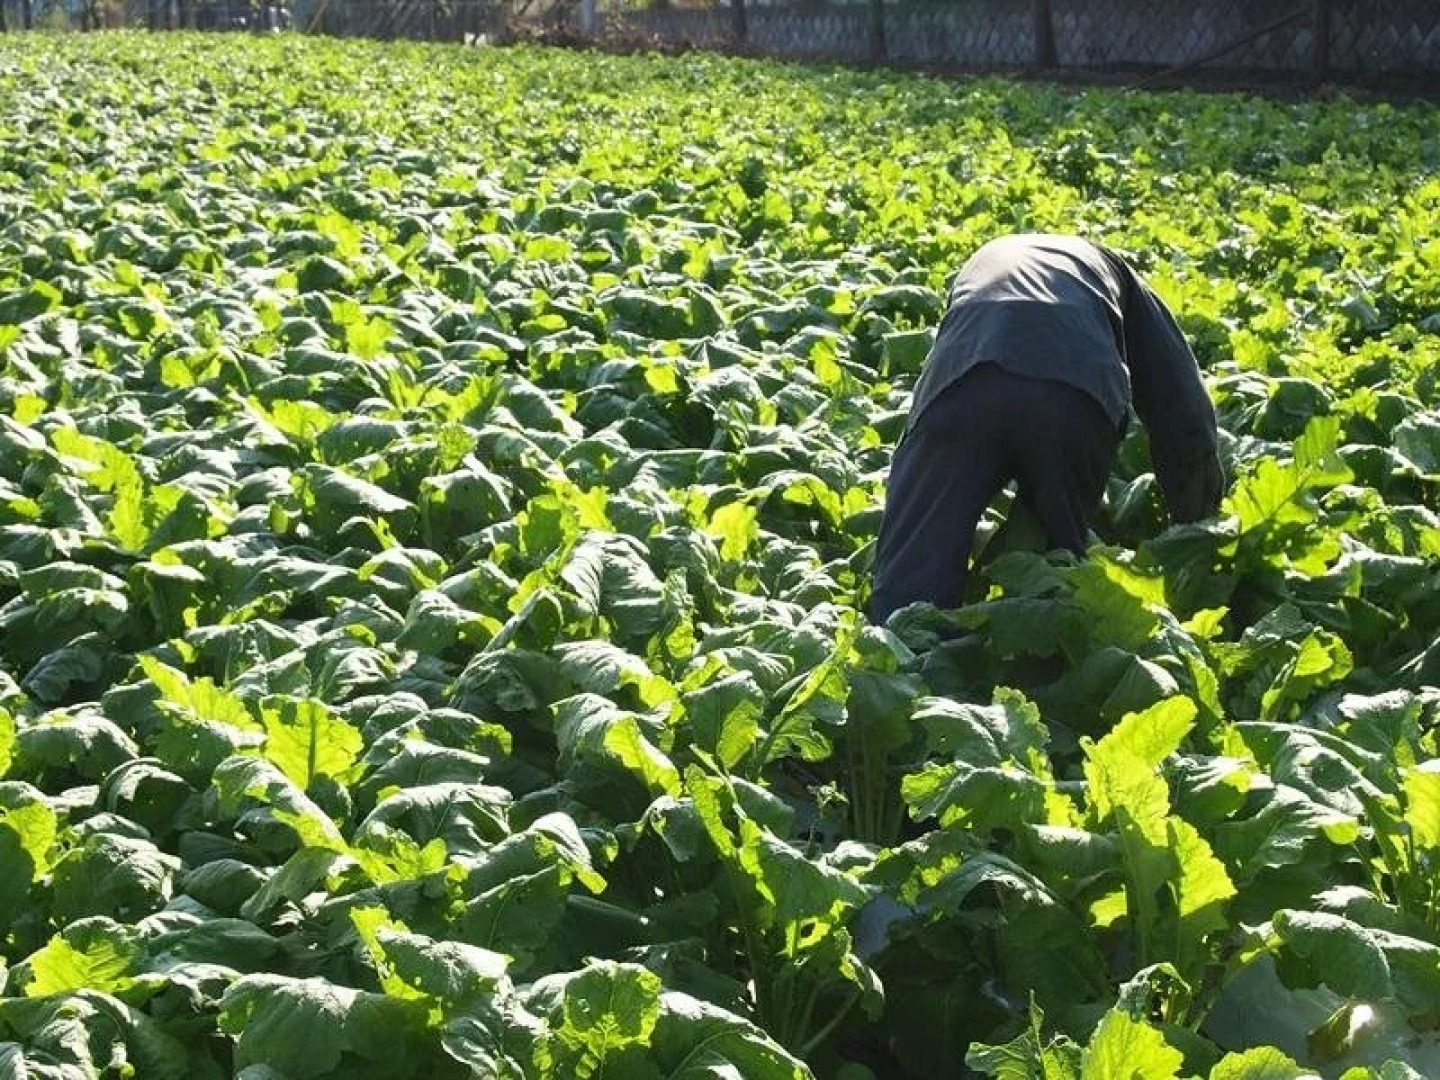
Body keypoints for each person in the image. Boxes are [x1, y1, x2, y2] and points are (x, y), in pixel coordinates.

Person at [868, 233, 1224, 624]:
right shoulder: (1122, 278)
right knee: (1055, 567)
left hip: (964, 380)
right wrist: (1196, 527)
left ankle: (900, 666)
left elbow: (936, 374)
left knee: (912, 570)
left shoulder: (985, 258)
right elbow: (1182, 403)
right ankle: (1035, 668)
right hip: (1071, 393)